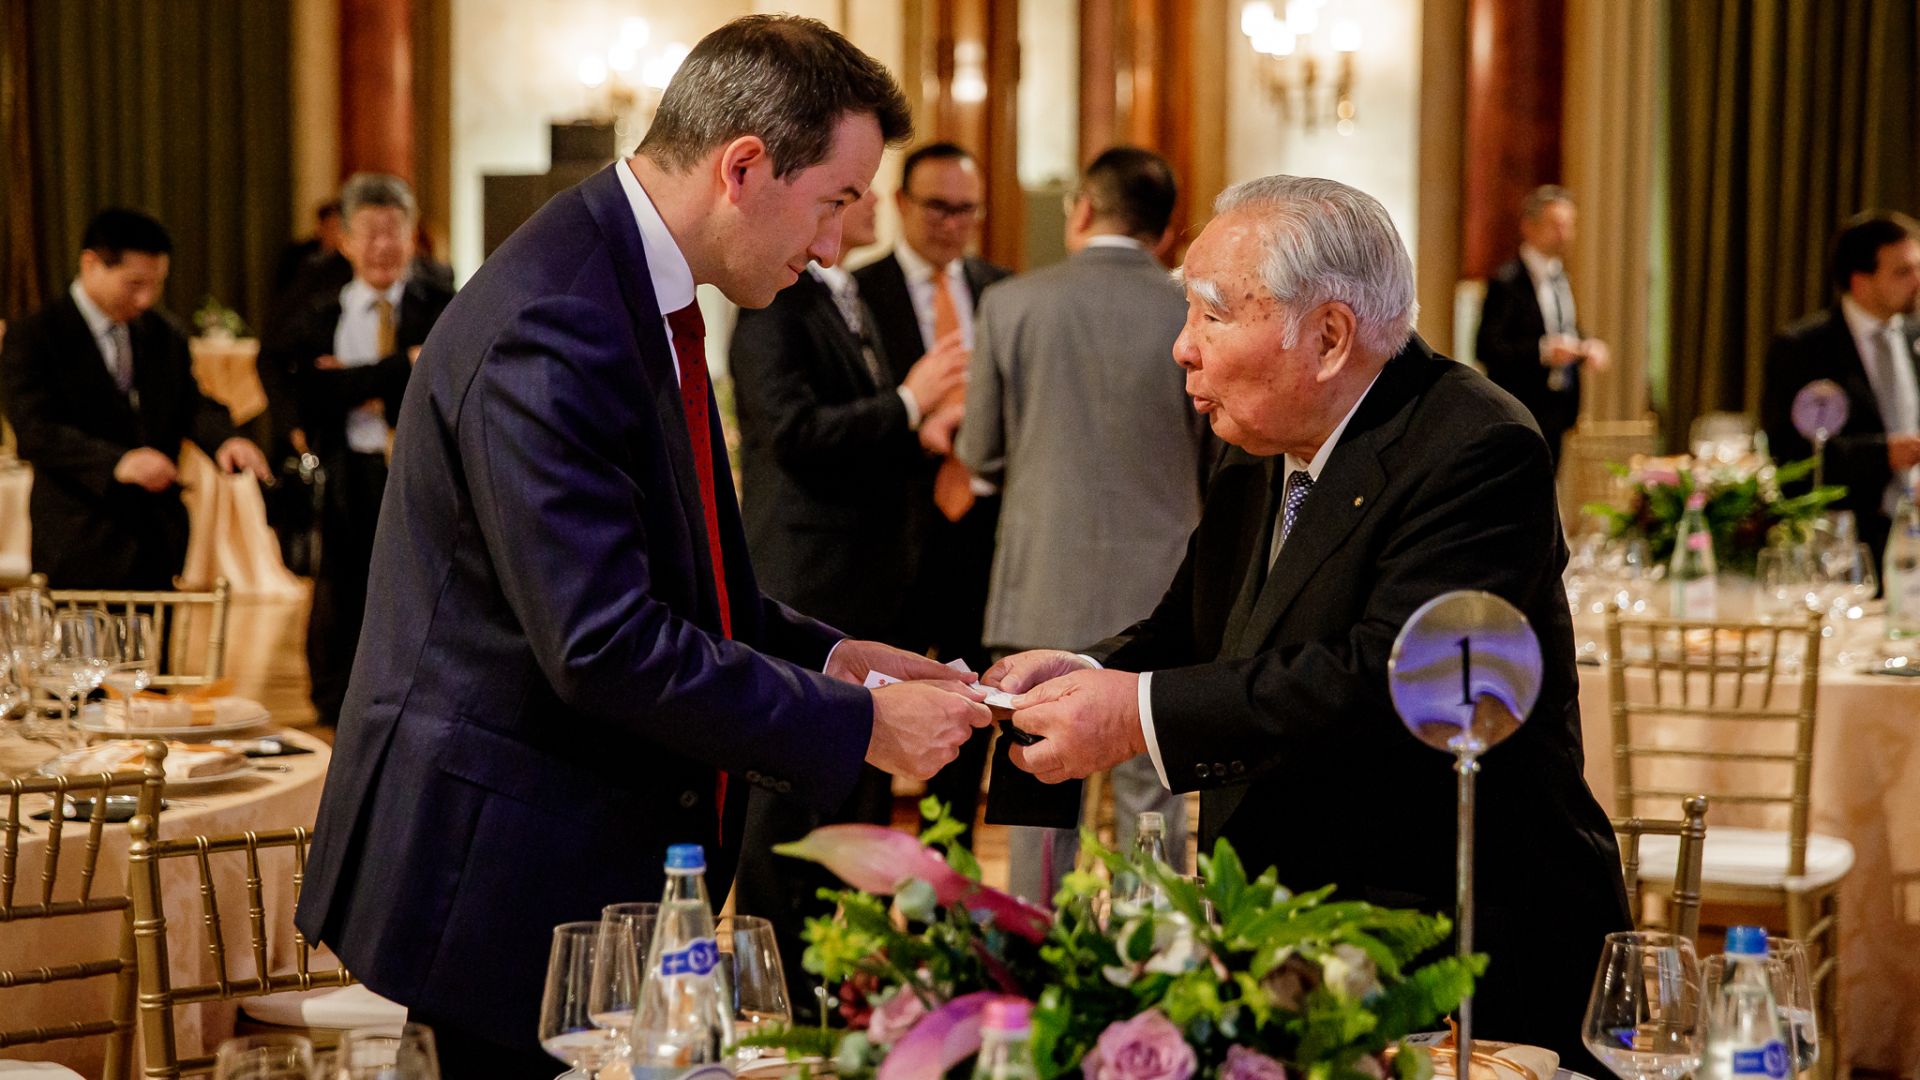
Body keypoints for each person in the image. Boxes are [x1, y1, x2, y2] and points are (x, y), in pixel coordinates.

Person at [294, 17, 992, 1077]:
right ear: (745, 167)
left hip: (553, 848)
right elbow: (603, 642)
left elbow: (689, 581)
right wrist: (857, 729)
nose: (834, 246)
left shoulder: (635, 284)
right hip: (501, 870)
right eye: (836, 203)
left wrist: (841, 661)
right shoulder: (563, 316)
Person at [989, 175, 1630, 1068]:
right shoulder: (1264, 443)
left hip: (1456, 943)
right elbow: (1192, 631)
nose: (1183, 350)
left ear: (1328, 336)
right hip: (1289, 925)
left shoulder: (1477, 447)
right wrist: (1076, 671)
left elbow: (1383, 676)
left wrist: (1132, 715)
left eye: (1212, 317)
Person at [729, 184, 968, 1007]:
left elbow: (866, 436)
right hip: (806, 580)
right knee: (790, 796)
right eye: (853, 194)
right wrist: (910, 400)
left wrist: (920, 428)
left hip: (871, 583)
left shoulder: (849, 293)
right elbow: (792, 433)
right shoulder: (773, 307)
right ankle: (773, 988)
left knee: (861, 792)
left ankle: (847, 980)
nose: (870, 207)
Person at [956, 147, 1204, 903]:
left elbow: (980, 453)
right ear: (1164, 233)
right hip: (1162, 595)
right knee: (1152, 807)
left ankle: (1026, 974)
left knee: (1037, 806)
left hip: (1041, 585)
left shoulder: (1013, 303)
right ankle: (1155, 975)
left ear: (1083, 210)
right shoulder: (1190, 312)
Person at [259, 173, 455, 727]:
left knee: (418, 586)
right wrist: (397, 368)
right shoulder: (319, 302)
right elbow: (304, 386)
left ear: (413, 234)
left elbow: (446, 380)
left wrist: (350, 382)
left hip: (417, 468)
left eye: (394, 232)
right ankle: (334, 706)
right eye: (368, 233)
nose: (382, 246)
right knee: (338, 591)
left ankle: (412, 700)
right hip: (347, 469)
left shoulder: (441, 300)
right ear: (344, 239)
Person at [855, 142, 1011, 835]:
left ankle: (950, 895)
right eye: (938, 207)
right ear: (902, 205)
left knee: (969, 704)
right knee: (873, 709)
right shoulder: (860, 289)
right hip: (888, 529)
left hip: (979, 528)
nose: (952, 223)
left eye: (966, 209)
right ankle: (866, 892)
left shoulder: (1002, 291)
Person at [0, 209, 270, 588]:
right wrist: (118, 462)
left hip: (156, 541)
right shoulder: (36, 335)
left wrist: (227, 439)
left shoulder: (163, 334)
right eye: (134, 283)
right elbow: (35, 430)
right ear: (91, 264)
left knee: (155, 648)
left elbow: (190, 405)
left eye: (156, 284)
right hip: (79, 537)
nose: (146, 299)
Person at [1762, 211, 1920, 566]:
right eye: (1903, 272)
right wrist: (1883, 454)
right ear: (1861, 281)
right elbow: (1791, 457)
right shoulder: (1803, 347)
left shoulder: (1915, 337)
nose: (1917, 281)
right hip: (1846, 544)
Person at [1475, 185, 1610, 470]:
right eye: (1556, 225)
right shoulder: (1506, 281)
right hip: (1520, 407)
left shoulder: (1560, 277)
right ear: (1529, 226)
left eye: (1569, 225)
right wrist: (1543, 352)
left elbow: (1566, 328)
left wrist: (1586, 346)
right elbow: (1486, 347)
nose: (1564, 234)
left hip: (1557, 407)